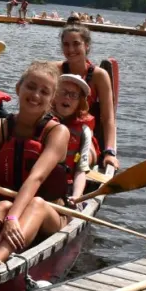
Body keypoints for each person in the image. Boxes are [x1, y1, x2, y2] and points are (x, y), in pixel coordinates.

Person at [0, 62, 71, 266]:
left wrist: (12, 219)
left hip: (50, 214)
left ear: (52, 99)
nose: (35, 95)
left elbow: (36, 178)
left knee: (36, 204)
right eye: (31, 87)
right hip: (9, 205)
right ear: (19, 88)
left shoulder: (58, 132)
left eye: (44, 92)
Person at [54, 25, 118, 171]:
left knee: (82, 158)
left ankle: (77, 173)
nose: (71, 49)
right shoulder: (54, 69)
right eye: (66, 44)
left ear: (86, 45)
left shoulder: (99, 76)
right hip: (54, 131)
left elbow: (108, 118)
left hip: (83, 136)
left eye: (76, 44)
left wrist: (109, 152)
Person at [52, 74, 100, 203]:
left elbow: (80, 170)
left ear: (80, 102)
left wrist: (77, 195)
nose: (67, 97)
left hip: (65, 188)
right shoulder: (41, 120)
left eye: (73, 95)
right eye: (63, 92)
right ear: (54, 96)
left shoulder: (84, 132)